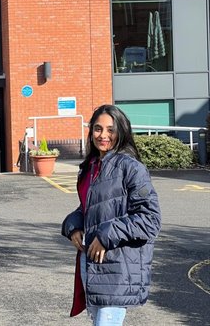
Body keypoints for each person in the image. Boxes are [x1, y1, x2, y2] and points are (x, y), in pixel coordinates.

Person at [61, 104, 161, 325]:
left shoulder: (131, 168)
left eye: (110, 129)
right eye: (98, 129)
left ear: (121, 131)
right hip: (93, 266)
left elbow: (150, 219)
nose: (103, 135)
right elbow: (88, 207)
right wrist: (73, 224)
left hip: (119, 268)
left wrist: (106, 235)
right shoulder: (90, 166)